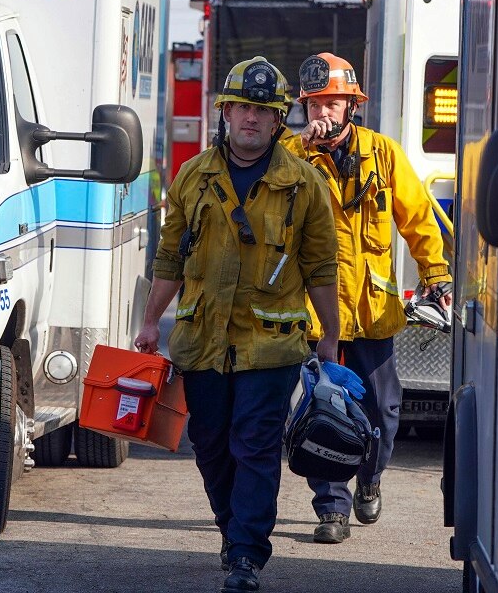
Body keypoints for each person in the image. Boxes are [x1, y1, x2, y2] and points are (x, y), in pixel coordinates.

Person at [133, 55, 340, 593]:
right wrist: (151, 322)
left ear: (279, 121)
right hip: (203, 342)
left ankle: (247, 554)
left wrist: (333, 343)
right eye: (242, 107)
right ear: (225, 113)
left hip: (270, 350)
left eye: (263, 111)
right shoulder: (192, 177)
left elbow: (321, 269)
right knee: (211, 446)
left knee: (255, 445)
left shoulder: (305, 184)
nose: (251, 118)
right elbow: (169, 259)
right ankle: (233, 531)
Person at [279, 52, 453, 544]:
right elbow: (268, 200)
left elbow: (418, 219)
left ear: (352, 105)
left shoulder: (383, 154)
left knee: (384, 409)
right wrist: (295, 152)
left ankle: (371, 477)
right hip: (316, 315)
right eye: (314, 106)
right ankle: (330, 508)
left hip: (373, 312)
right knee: (323, 409)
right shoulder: (290, 158)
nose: (322, 116)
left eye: (332, 104)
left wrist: (436, 274)